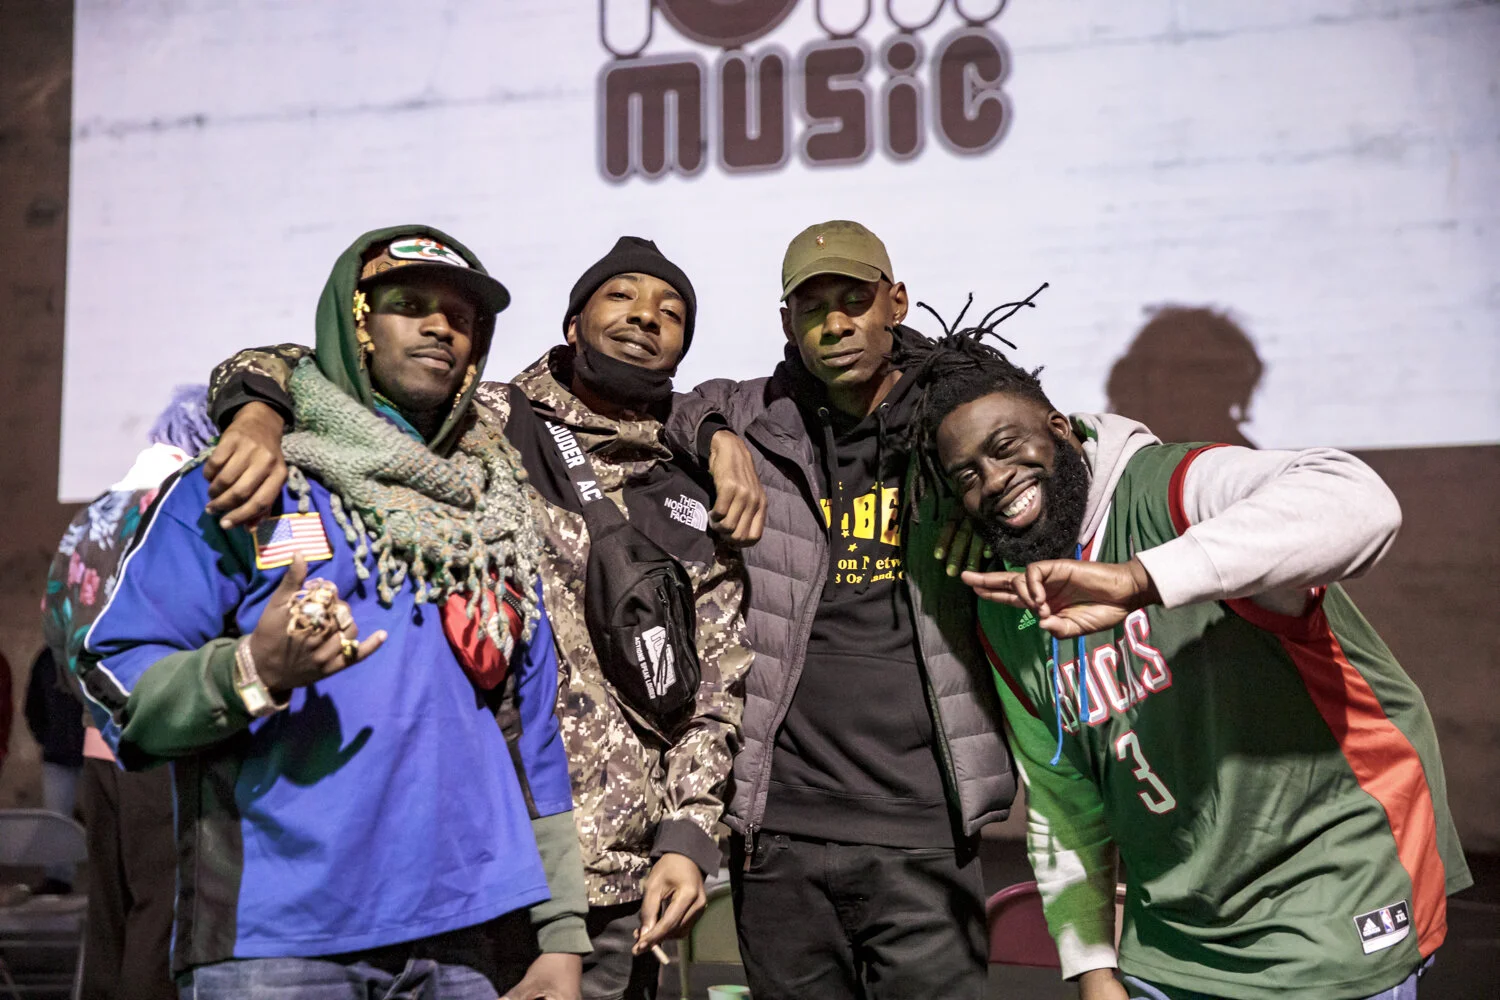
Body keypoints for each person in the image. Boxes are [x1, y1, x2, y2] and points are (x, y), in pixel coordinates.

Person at [199, 236, 754, 1000]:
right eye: (621, 295)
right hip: (474, 865)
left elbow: (718, 690)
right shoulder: (484, 423)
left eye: (671, 312)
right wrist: (258, 412)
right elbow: (310, 367)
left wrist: (687, 837)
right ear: (571, 325)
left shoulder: (695, 490)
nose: (645, 317)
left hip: (622, 881)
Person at [74, 227, 589, 999]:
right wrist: (251, 670)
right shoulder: (252, 482)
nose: (439, 327)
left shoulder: (496, 517)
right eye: (409, 305)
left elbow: (533, 732)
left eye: (460, 318)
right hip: (278, 941)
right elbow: (115, 674)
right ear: (356, 324)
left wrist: (561, 934)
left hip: (465, 938)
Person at [906, 316, 1471, 999]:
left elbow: (1360, 501)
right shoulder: (1009, 606)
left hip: (1331, 910)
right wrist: (1092, 967)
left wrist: (1141, 579)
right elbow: (1064, 800)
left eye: (1005, 447)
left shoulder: (1173, 489)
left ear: (1060, 429)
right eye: (968, 474)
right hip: (1172, 945)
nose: (995, 480)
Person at [660, 221, 1015, 999]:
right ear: (788, 322)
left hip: (922, 827)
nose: (836, 323)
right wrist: (718, 439)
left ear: (896, 302)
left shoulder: (955, 418)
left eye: (854, 300)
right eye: (813, 307)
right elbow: (678, 406)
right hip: (782, 833)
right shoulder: (755, 418)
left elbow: (1045, 448)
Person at [43, 384, 218, 999]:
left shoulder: (93, 513)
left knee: (109, 917)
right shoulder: (177, 507)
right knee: (160, 911)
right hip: (156, 741)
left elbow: (55, 619)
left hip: (96, 741)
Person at [23, 646, 85, 893]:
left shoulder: (94, 651)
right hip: (58, 754)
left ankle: (111, 879)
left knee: (105, 817)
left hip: (92, 754)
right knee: (56, 818)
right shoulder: (47, 659)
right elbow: (33, 704)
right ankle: (58, 877)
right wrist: (47, 737)